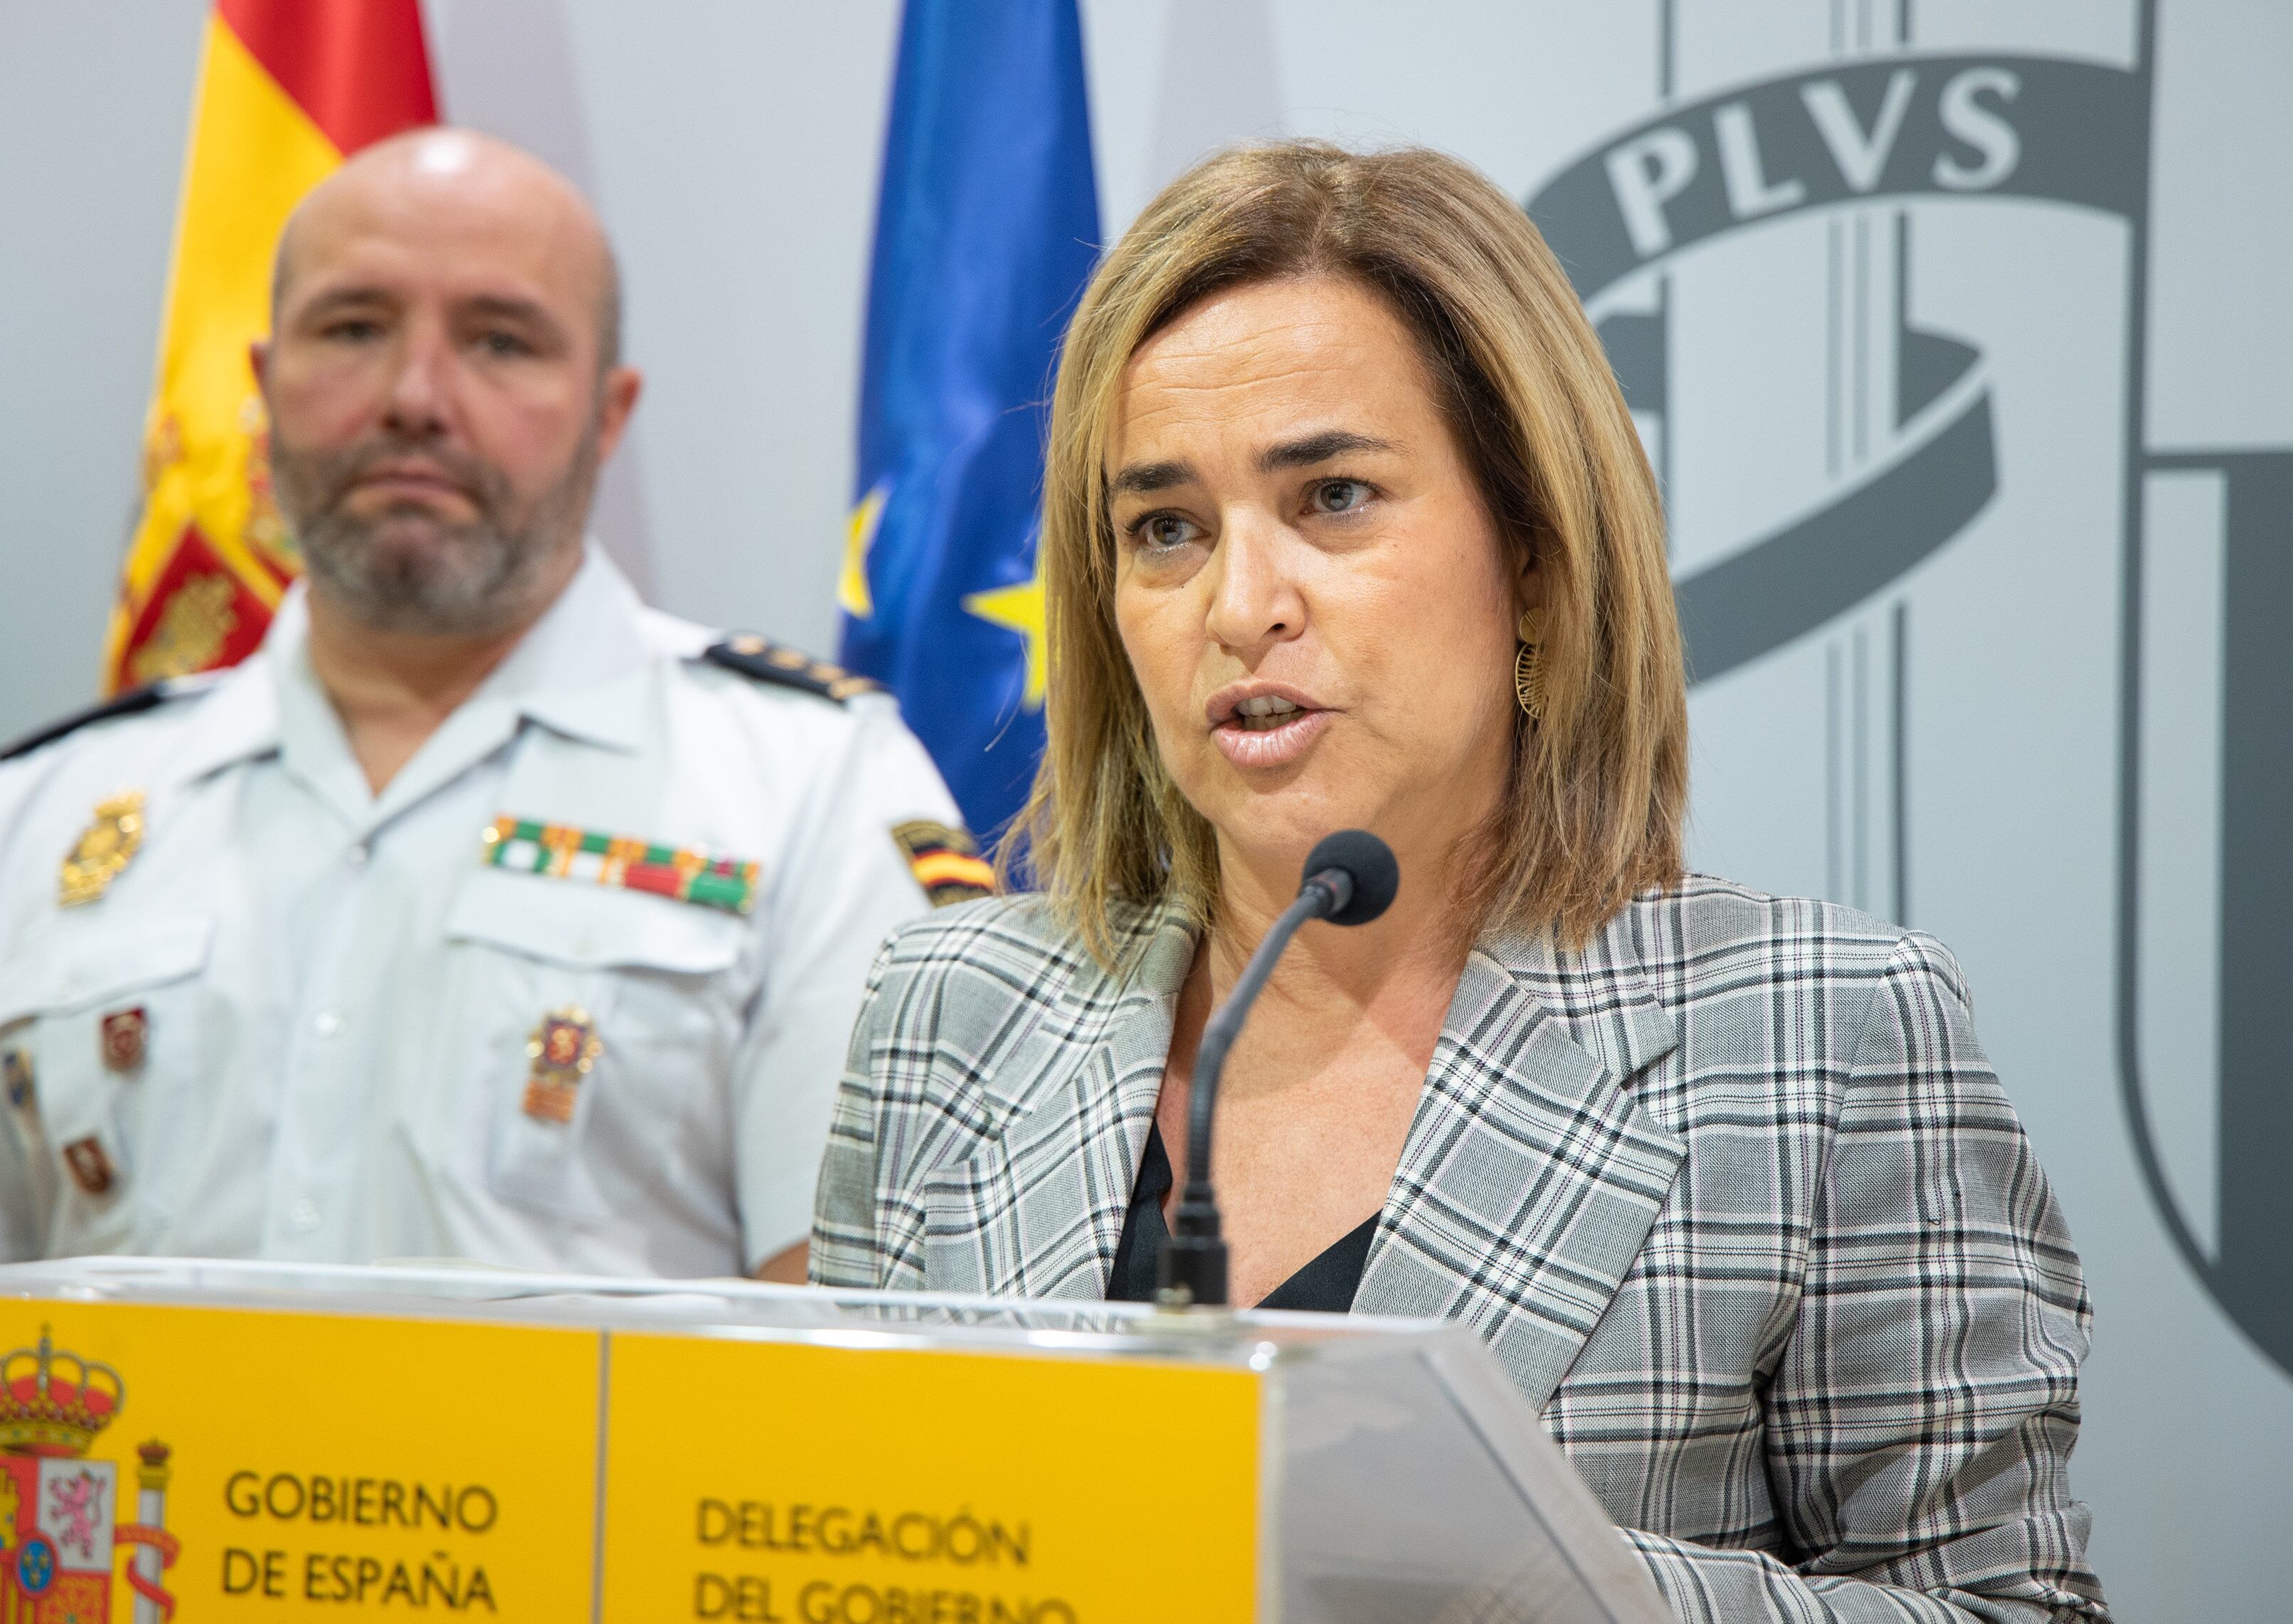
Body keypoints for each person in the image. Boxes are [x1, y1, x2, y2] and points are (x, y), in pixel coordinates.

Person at [813, 141, 2103, 1620]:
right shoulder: (947, 1011)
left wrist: (1526, 1580)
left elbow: (2010, 1608)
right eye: (1162, 528)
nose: (1238, 605)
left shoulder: (1818, 1038)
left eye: (1334, 497)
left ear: (1536, 562)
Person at [0, 129, 978, 1603]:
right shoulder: (54, 808)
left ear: (610, 414)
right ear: (262, 378)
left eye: (500, 340)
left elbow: (870, 1342)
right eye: (354, 327)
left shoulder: (808, 786)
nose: (417, 397)